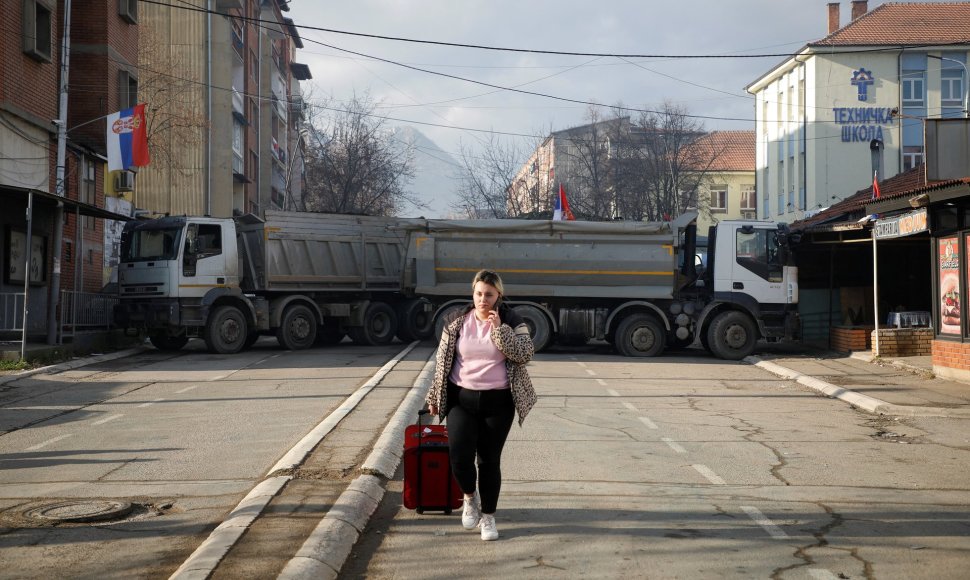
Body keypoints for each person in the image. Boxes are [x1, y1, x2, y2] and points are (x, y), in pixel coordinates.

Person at [426, 269, 536, 541]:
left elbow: (524, 355)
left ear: (499, 295)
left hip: (498, 403)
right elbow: (441, 362)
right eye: (478, 293)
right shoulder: (455, 321)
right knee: (460, 458)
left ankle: (488, 517)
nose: (483, 299)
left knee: (488, 461)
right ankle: (469, 498)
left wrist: (499, 332)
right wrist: (433, 396)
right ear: (472, 293)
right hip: (461, 400)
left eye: (489, 294)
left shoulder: (511, 320)